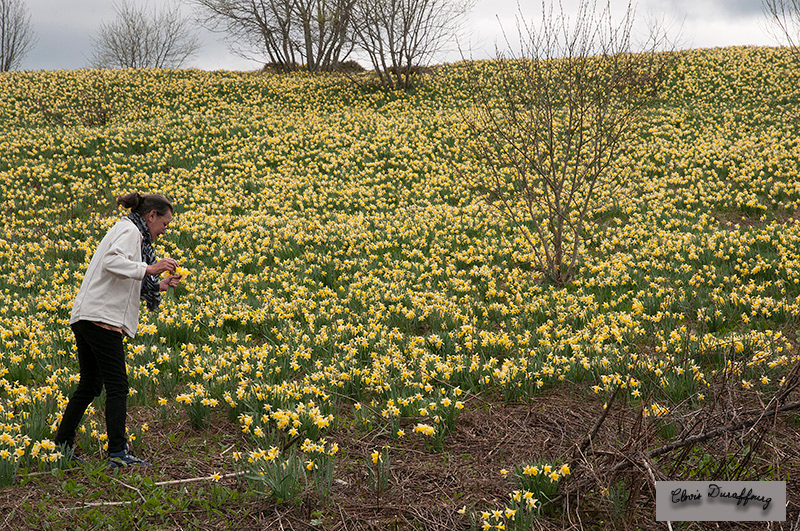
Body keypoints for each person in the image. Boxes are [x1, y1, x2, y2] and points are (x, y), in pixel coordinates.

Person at [54, 192, 182, 468]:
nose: (164, 231)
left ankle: (61, 445)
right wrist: (150, 269)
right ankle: (116, 453)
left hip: (88, 314)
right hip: (101, 319)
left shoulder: (128, 231)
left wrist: (157, 284)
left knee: (90, 385)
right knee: (117, 386)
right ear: (151, 216)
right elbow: (113, 262)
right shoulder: (130, 231)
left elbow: (120, 277)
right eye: (164, 224)